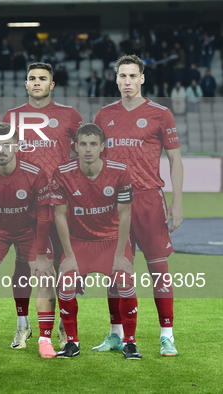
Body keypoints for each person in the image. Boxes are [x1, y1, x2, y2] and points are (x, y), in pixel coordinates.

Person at [93, 54, 183, 356]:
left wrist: (177, 202)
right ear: (115, 79)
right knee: (115, 272)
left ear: (142, 78)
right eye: (122, 76)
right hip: (112, 204)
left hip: (149, 201)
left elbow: (175, 160)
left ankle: (166, 335)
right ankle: (116, 333)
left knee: (159, 270)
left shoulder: (161, 114)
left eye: (132, 76)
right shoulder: (103, 115)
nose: (127, 81)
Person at [3, 62, 84, 350]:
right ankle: (22, 326)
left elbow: (88, 151)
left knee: (65, 266)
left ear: (52, 84)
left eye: (42, 79)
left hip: (62, 204)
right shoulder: (12, 117)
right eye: (32, 78)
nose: (36, 82)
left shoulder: (69, 115)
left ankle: (63, 326)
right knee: (23, 266)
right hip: (23, 206)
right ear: (25, 84)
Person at [0, 122, 56, 358]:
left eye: (7, 145)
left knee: (45, 276)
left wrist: (41, 256)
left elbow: (45, 216)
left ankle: (45, 341)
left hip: (30, 230)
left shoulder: (35, 174)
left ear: (17, 145)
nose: (2, 150)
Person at [52, 123, 140, 360]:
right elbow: (59, 215)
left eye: (93, 144)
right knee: (65, 284)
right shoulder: (62, 172)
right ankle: (72, 342)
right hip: (79, 243)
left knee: (125, 281)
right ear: (76, 147)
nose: (88, 149)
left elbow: (125, 214)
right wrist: (69, 255)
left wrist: (120, 255)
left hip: (112, 242)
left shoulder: (120, 171)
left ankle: (130, 342)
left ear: (102, 147)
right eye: (83, 144)